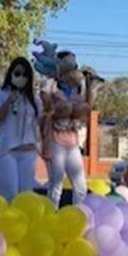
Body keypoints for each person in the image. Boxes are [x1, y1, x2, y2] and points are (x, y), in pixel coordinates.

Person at [0, 58, 43, 200]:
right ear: (11, 74)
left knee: (26, 194)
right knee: (11, 192)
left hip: (28, 152)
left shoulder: (34, 99)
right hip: (8, 151)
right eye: (17, 73)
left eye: (25, 75)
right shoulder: (2, 95)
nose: (21, 77)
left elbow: (41, 120)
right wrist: (9, 101)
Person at [41, 51, 89, 206]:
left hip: (72, 142)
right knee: (56, 183)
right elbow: (46, 106)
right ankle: (52, 215)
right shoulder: (51, 85)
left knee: (80, 184)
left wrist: (89, 85)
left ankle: (79, 216)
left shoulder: (75, 89)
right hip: (55, 141)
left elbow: (86, 109)